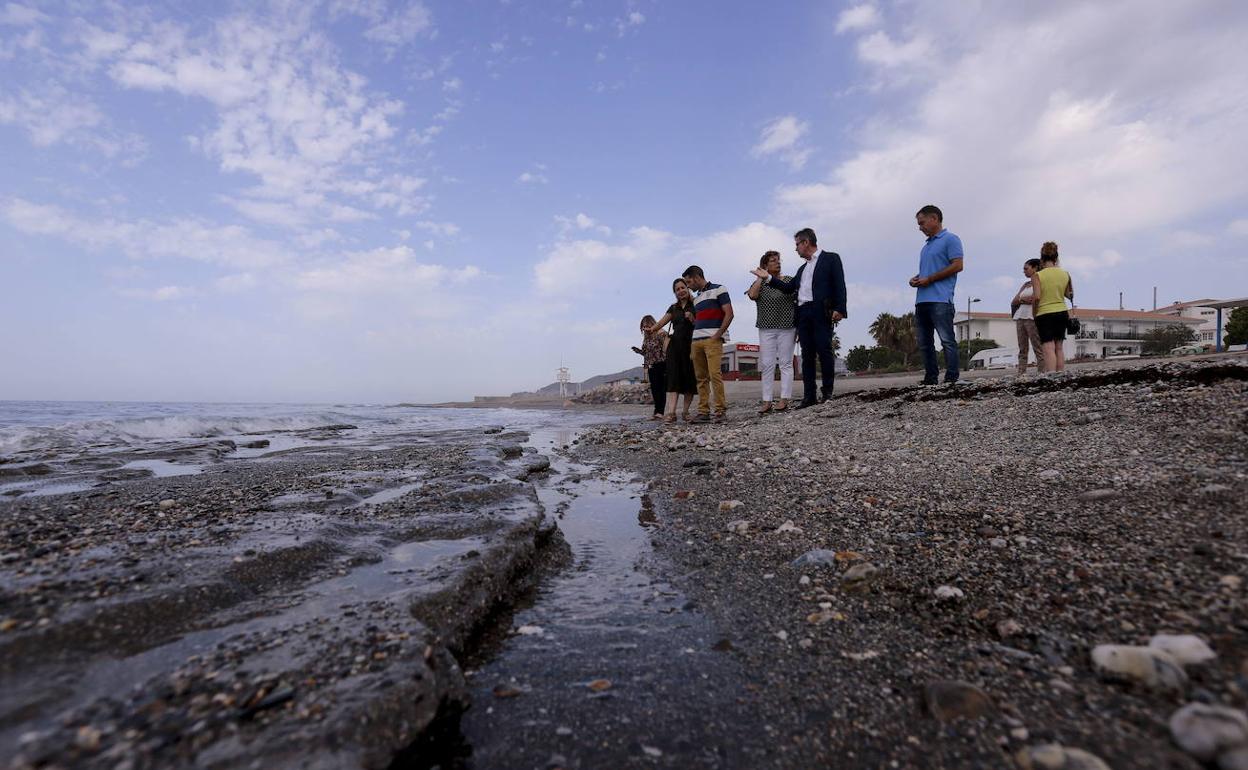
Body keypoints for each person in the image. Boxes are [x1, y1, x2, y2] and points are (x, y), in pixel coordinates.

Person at [750, 228, 846, 408]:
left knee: (824, 352)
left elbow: (840, 284)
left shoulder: (831, 258)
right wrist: (768, 278)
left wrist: (840, 308)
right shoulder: (801, 269)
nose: (796, 249)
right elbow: (787, 288)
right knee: (807, 356)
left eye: (797, 245)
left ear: (806, 243)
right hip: (802, 313)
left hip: (820, 310)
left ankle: (827, 393)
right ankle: (809, 396)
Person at [909, 205, 964, 385]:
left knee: (947, 340)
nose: (920, 228)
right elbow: (928, 272)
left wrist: (930, 279)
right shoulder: (925, 247)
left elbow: (957, 265)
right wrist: (917, 279)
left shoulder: (951, 239)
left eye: (922, 223)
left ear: (934, 218)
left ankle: (951, 378)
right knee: (925, 344)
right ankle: (930, 378)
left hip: (941, 300)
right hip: (922, 300)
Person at [745, 251, 797, 413]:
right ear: (765, 265)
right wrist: (761, 277)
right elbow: (752, 295)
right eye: (773, 261)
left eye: (778, 260)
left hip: (788, 327)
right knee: (767, 364)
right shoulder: (761, 284)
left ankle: (784, 399)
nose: (777, 262)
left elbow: (797, 300)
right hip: (766, 328)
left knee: (786, 363)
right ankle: (767, 401)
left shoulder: (788, 280)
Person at [681, 265, 733, 423]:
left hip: (712, 339)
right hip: (696, 341)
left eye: (689, 281)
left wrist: (717, 335)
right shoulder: (696, 298)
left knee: (714, 375)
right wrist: (693, 319)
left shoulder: (719, 289)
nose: (688, 285)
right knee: (701, 378)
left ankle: (720, 411)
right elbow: (702, 321)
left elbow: (729, 314)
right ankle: (703, 412)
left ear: (697, 277)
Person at [646, 279, 698, 423]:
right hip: (675, 347)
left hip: (691, 346)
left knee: (689, 379)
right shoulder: (673, 308)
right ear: (675, 293)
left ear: (688, 288)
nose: (680, 291)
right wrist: (651, 329)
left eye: (683, 287)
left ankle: (686, 412)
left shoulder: (696, 304)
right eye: (677, 289)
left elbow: (702, 324)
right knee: (673, 379)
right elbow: (662, 322)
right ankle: (671, 413)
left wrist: (693, 318)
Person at [1030, 241, 1074, 373]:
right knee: (1059, 347)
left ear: (1042, 259)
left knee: (1048, 347)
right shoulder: (1065, 274)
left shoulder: (1038, 275)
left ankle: (1051, 375)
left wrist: (1034, 312)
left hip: (1044, 313)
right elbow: (1069, 295)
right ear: (1056, 258)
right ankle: (1060, 374)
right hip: (1061, 311)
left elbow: (1037, 297)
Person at [1010, 259, 1045, 375]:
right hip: (1020, 317)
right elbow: (1014, 300)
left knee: (1037, 346)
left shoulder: (1041, 282)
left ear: (1035, 268)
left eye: (1026, 268)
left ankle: (1041, 372)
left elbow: (1036, 298)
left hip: (1032, 317)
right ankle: (1021, 372)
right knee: (1022, 347)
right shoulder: (1025, 285)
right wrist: (1023, 299)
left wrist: (1022, 300)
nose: (1024, 271)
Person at [631, 315, 668, 419]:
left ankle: (660, 412)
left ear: (652, 324)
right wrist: (639, 351)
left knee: (661, 389)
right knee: (655, 390)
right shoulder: (646, 339)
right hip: (651, 366)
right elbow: (647, 353)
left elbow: (666, 348)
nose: (644, 329)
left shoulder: (661, 334)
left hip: (661, 364)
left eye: (646, 326)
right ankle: (657, 412)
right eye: (643, 327)